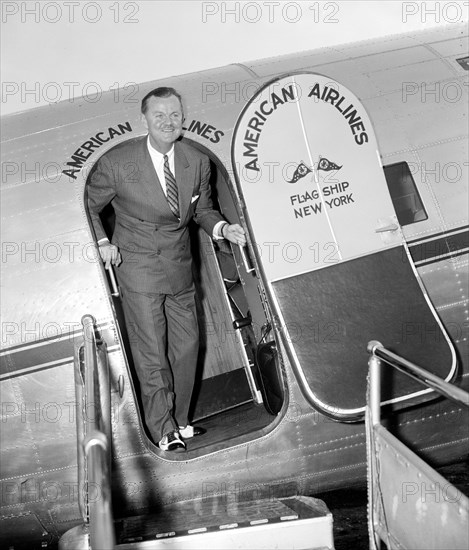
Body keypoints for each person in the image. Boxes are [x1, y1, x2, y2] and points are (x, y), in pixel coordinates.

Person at [87, 87, 246, 452]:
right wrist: (102, 243)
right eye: (159, 115)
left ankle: (183, 420)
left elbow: (203, 210)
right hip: (138, 267)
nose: (168, 121)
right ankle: (163, 428)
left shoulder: (196, 160)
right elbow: (91, 207)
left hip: (179, 266)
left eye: (174, 114)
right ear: (144, 119)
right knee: (152, 352)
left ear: (182, 116)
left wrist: (222, 228)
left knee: (188, 346)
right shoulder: (118, 163)